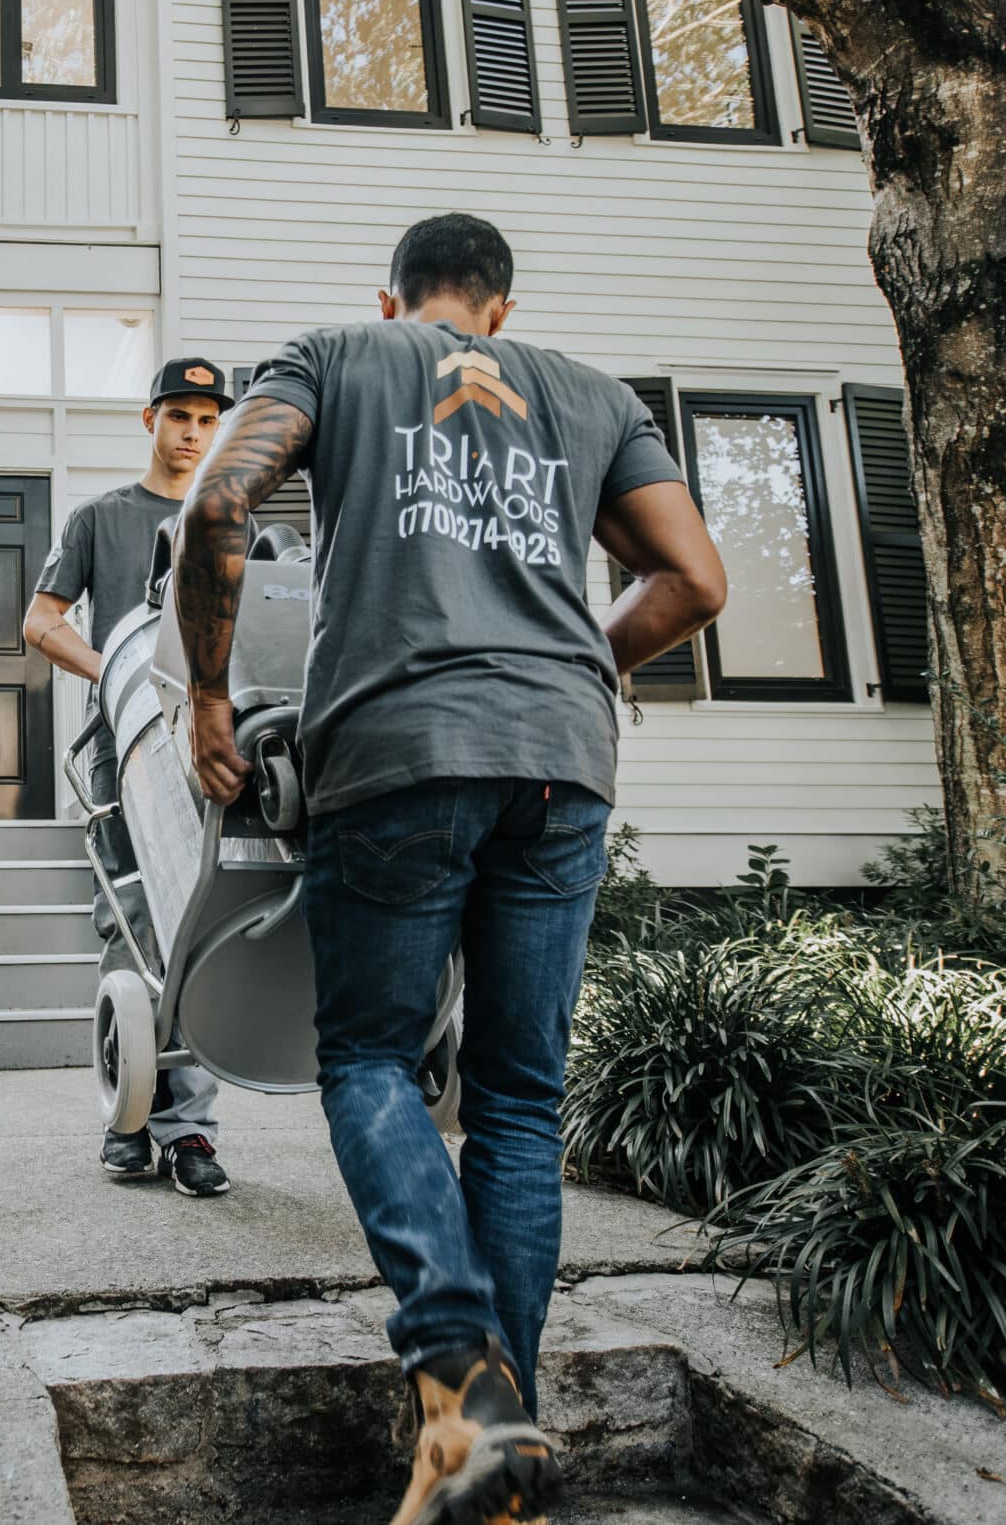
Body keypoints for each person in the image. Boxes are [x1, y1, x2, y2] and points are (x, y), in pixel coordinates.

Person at [169, 215, 726, 1525]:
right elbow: (695, 580)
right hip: (564, 760)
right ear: (504, 305)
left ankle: (453, 1364)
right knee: (521, 1098)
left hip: (399, 745)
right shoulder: (592, 397)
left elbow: (221, 501)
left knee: (367, 1055)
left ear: (393, 297)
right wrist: (567, 664)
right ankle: (488, 1447)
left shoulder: (335, 353)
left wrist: (205, 695)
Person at [22, 358, 237, 1198]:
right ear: (149, 419)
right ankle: (130, 1117)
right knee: (133, 923)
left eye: (207, 419)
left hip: (210, 752)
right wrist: (116, 667)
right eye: (178, 415)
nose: (192, 432)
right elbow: (41, 622)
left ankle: (191, 1134)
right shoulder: (100, 520)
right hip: (124, 752)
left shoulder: (227, 519)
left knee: (203, 926)